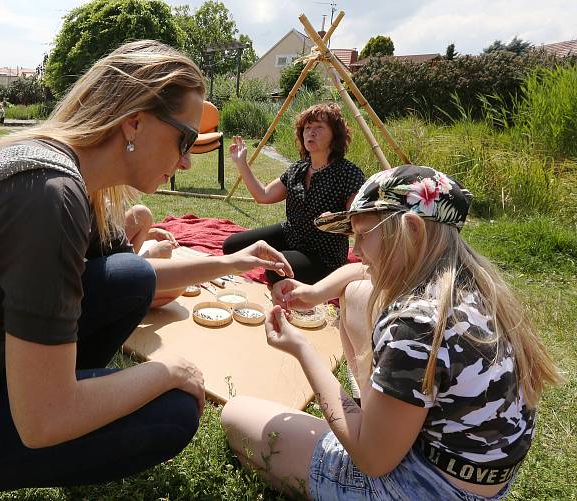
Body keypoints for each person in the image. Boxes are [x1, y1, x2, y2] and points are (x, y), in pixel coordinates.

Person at [0, 40, 293, 501]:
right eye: (183, 139)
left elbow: (138, 276)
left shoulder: (62, 168)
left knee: (127, 277)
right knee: (171, 410)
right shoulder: (48, 198)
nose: (185, 160)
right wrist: (167, 371)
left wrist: (233, 260)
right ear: (134, 121)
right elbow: (43, 420)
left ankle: (34, 414)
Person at [221, 165, 562, 500]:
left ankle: (366, 423)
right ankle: (376, 416)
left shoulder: (415, 324)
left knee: (237, 414)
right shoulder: (469, 286)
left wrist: (302, 349)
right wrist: (313, 294)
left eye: (363, 234)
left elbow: (373, 461)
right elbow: (358, 273)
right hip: (476, 480)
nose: (355, 249)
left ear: (411, 231)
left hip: (418, 486)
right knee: (356, 295)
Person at [222, 102, 366, 285]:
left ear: (335, 135)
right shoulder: (298, 168)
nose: (311, 132)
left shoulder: (348, 173)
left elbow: (360, 221)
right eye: (307, 127)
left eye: (319, 127)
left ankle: (310, 269)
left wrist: (336, 221)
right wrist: (241, 162)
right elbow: (263, 195)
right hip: (291, 234)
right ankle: (286, 257)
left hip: (323, 253)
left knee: (276, 271)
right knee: (231, 246)